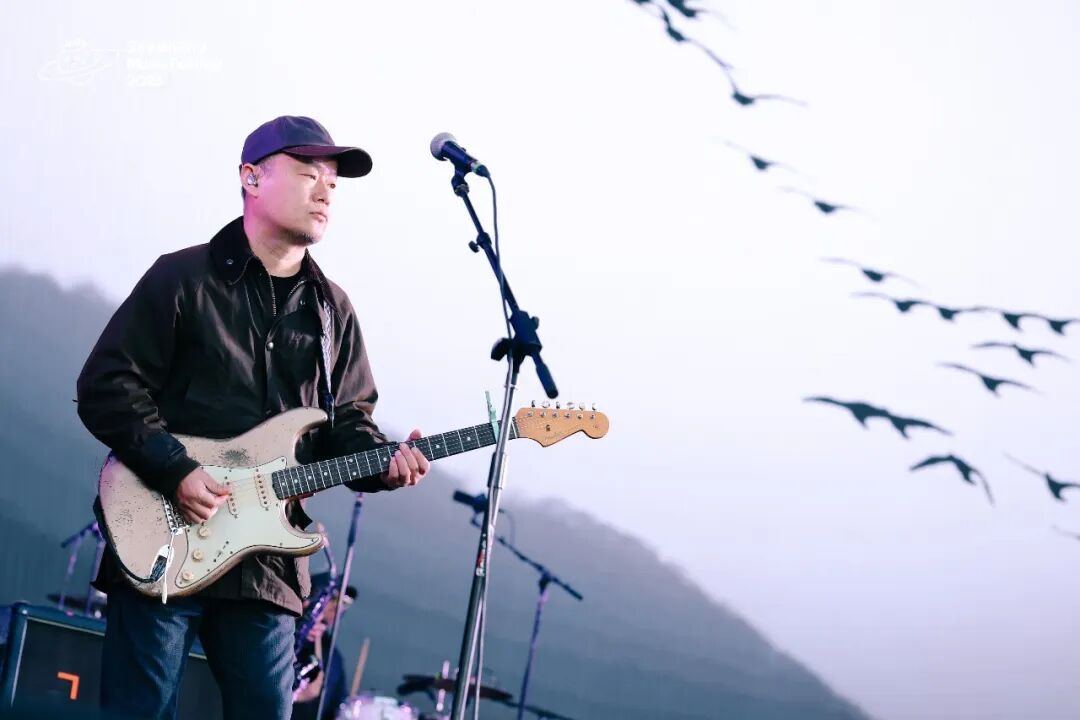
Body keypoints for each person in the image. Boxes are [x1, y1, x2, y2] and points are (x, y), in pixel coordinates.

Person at [76, 115, 431, 720]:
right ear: (251, 177)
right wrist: (176, 469)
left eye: (333, 182)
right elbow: (107, 385)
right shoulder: (182, 278)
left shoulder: (333, 312)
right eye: (308, 173)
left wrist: (384, 463)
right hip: (165, 538)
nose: (325, 191)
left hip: (268, 565)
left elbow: (347, 425)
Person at [291, 572, 356, 720]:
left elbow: (337, 708)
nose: (337, 607)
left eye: (344, 603)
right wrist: (296, 696)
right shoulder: (277, 638)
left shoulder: (333, 659)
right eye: (333, 598)